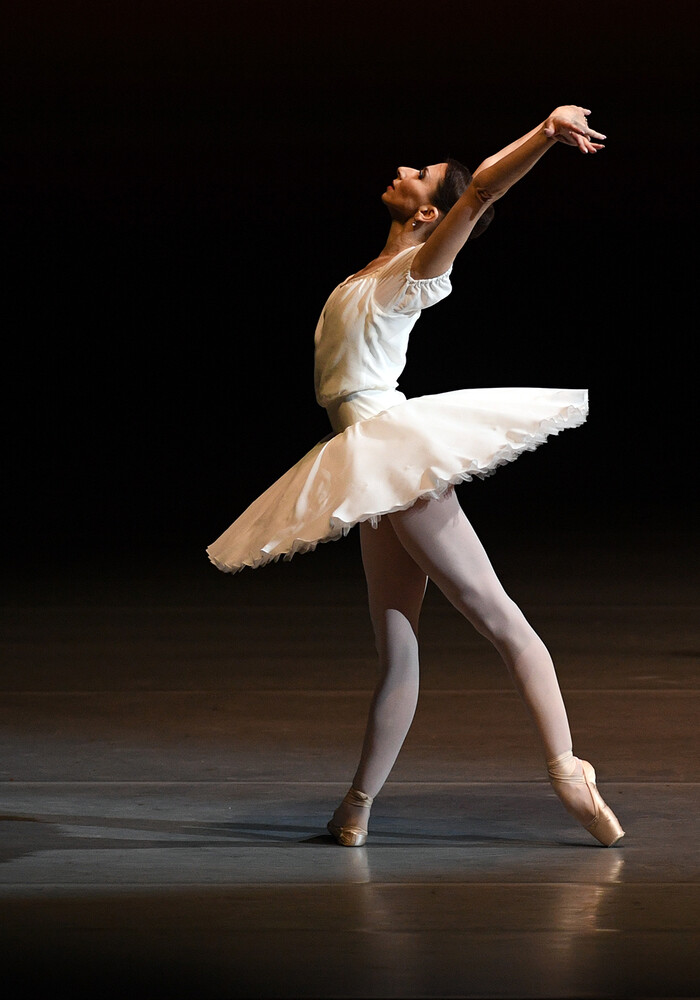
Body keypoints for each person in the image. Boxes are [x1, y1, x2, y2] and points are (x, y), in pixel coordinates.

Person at [207, 106, 624, 848]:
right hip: (366, 459)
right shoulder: (369, 272)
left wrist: (545, 132)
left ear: (429, 211)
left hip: (390, 450)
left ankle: (569, 771)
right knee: (399, 650)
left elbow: (482, 191)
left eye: (420, 174)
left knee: (499, 618)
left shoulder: (416, 272)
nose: (403, 169)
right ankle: (356, 808)